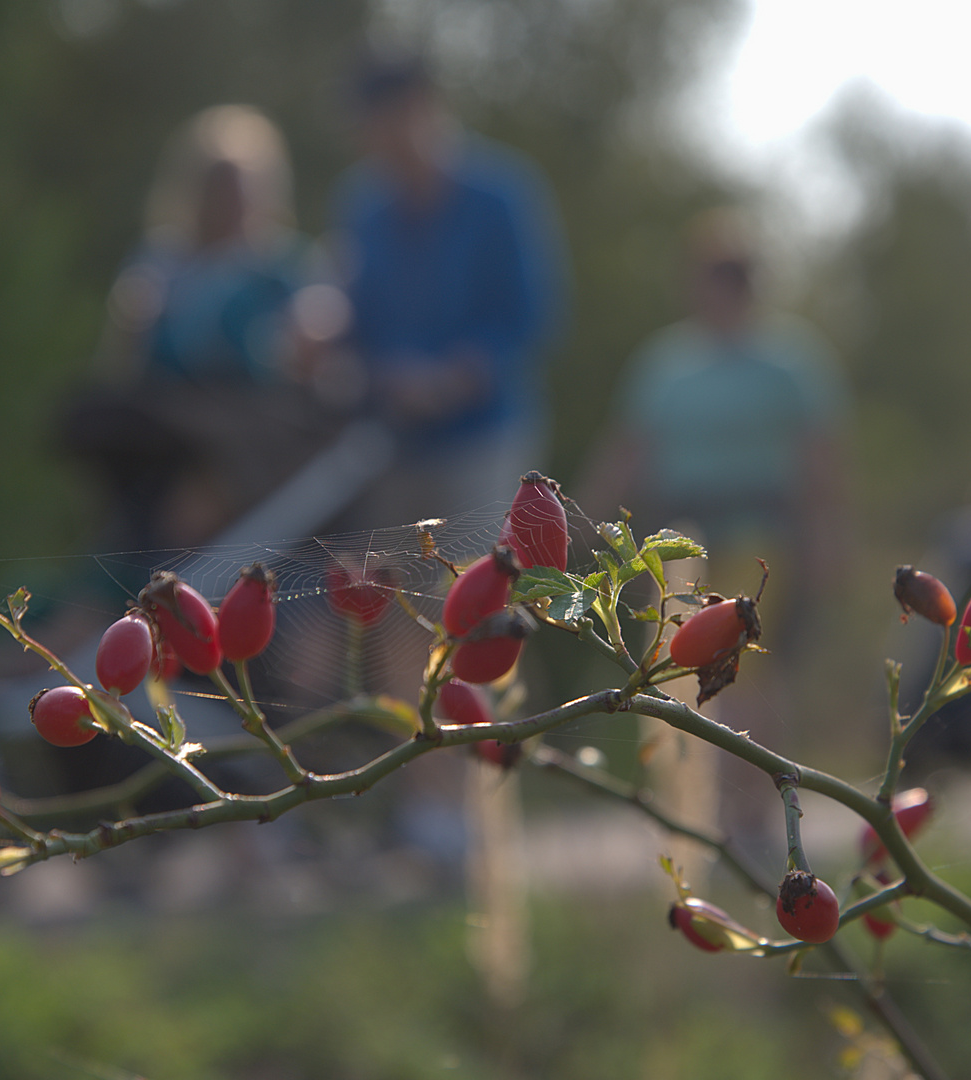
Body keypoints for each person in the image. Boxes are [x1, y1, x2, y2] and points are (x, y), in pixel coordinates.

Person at [587, 207, 851, 862]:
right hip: (682, 545)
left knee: (747, 677)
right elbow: (629, 451)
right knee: (685, 677)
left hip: (762, 539)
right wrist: (577, 520)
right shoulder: (666, 367)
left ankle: (755, 814)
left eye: (734, 274)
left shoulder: (790, 366)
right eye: (712, 274)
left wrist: (829, 536)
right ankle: (706, 810)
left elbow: (821, 462)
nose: (723, 287)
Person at [329, 49, 566, 524]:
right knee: (394, 595)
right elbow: (354, 313)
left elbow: (533, 315)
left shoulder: (502, 194)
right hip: (388, 447)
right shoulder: (362, 206)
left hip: (483, 440)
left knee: (477, 589)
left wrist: (452, 378)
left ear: (422, 107)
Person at [74, 105, 316, 550]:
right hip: (163, 427)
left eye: (240, 189)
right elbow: (123, 359)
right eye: (217, 188)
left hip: (245, 430)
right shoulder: (161, 262)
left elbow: (306, 358)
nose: (229, 203)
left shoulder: (281, 269)